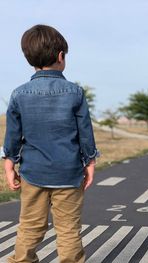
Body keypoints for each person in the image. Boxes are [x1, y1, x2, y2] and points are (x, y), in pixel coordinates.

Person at [3, 24, 99, 263]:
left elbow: (13, 136)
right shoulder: (75, 92)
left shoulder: (18, 94)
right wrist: (89, 161)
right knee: (68, 229)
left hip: (33, 172)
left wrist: (9, 164)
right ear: (60, 56)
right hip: (68, 173)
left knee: (30, 226)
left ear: (29, 59)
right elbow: (85, 133)